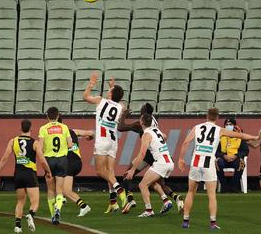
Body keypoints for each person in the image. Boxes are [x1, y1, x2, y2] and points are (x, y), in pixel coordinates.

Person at [177, 108, 257, 230]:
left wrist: (181, 159)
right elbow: (240, 135)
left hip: (196, 161)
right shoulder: (220, 130)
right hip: (208, 163)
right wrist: (255, 137)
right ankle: (213, 223)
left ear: (206, 116)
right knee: (211, 195)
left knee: (191, 192)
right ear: (217, 117)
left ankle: (185, 221)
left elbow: (185, 143)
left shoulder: (197, 127)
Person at [117, 103, 183, 214]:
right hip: (159, 153)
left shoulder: (142, 124)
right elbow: (164, 136)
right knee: (157, 182)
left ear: (144, 114)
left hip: (149, 154)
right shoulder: (153, 121)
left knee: (128, 174)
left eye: (142, 108)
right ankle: (173, 198)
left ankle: (131, 200)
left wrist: (123, 114)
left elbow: (120, 127)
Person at [0, 119, 52, 234]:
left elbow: (5, 157)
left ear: (20, 129)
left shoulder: (13, 141)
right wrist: (48, 171)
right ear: (31, 129)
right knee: (35, 202)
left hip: (18, 174)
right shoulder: (35, 143)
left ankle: (17, 226)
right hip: (30, 174)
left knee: (20, 201)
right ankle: (30, 215)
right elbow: (42, 161)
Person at [83, 73, 128, 212]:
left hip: (102, 140)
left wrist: (91, 83)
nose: (107, 91)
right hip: (113, 141)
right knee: (110, 171)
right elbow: (119, 102)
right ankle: (113, 202)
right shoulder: (121, 106)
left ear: (110, 94)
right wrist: (113, 88)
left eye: (109, 90)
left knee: (100, 170)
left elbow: (85, 97)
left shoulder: (100, 100)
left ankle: (120, 190)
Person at [124, 113, 175, 218]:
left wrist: (133, 169)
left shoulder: (146, 135)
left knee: (142, 185)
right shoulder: (156, 130)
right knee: (151, 182)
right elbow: (165, 137)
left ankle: (149, 210)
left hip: (161, 163)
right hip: (169, 161)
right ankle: (166, 201)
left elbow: (142, 154)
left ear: (142, 122)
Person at [38, 107, 74, 225]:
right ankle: (58, 209)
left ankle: (53, 215)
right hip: (62, 160)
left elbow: (41, 147)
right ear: (58, 116)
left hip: (49, 160)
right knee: (59, 189)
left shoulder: (43, 129)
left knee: (50, 189)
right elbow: (70, 145)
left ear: (47, 117)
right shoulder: (64, 128)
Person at [56, 115, 93, 217]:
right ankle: (61, 197)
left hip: (69, 162)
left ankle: (84, 206)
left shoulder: (57, 134)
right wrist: (89, 137)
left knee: (66, 190)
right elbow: (90, 133)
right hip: (77, 161)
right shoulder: (73, 131)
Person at [215, 118, 249, 193]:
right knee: (217, 162)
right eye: (226, 125)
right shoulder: (221, 136)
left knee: (241, 163)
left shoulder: (240, 135)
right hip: (224, 159)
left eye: (230, 124)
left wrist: (236, 156)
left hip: (235, 158)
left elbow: (245, 151)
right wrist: (224, 156)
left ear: (234, 126)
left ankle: (234, 186)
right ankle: (224, 186)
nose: (228, 126)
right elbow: (216, 151)